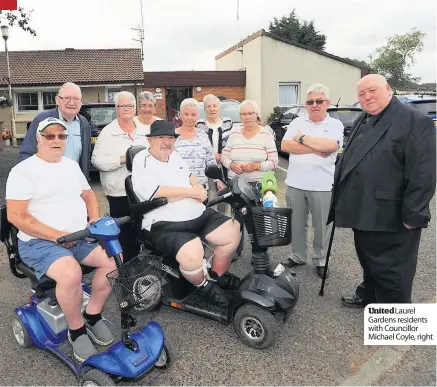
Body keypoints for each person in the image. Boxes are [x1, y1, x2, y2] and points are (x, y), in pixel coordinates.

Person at [6, 117, 116, 362]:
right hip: (39, 243)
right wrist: (57, 236)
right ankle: (76, 331)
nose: (56, 140)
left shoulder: (69, 165)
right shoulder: (23, 171)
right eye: (50, 136)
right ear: (38, 138)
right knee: (71, 274)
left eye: (61, 136)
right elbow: (16, 216)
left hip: (78, 236)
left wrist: (94, 219)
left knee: (113, 262)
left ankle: (93, 315)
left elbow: (88, 194)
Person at [328, 74, 436, 307]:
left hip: (392, 216)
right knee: (369, 260)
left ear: (388, 89)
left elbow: (423, 174)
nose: (367, 97)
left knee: (393, 272)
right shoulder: (365, 118)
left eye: (372, 90)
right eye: (361, 94)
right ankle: (370, 295)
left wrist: (412, 216)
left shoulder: (415, 121)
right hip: (365, 210)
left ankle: (395, 323)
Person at [131, 120, 241, 307]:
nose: (167, 142)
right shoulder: (141, 160)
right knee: (193, 254)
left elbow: (189, 175)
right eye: (161, 138)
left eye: (171, 138)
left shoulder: (175, 156)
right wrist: (191, 192)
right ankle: (204, 286)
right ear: (150, 140)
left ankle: (215, 276)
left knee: (233, 230)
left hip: (195, 212)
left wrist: (197, 185)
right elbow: (154, 191)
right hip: (164, 221)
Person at [281, 84, 344, 278]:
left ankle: (321, 260)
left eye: (319, 101)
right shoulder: (296, 122)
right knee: (296, 224)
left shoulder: (335, 125)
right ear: (306, 105)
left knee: (322, 226)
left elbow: (331, 145)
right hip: (294, 183)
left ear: (327, 103)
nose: (315, 105)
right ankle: (298, 256)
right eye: (310, 102)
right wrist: (316, 148)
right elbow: (285, 145)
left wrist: (302, 138)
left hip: (322, 185)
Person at [91, 91, 148, 261]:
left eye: (129, 106)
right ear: (116, 109)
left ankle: (141, 262)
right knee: (124, 232)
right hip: (119, 192)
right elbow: (97, 161)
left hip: (142, 191)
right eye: (122, 106)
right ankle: (126, 268)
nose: (126, 109)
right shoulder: (107, 133)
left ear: (135, 108)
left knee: (142, 228)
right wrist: (122, 159)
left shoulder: (144, 131)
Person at [18, 82, 91, 180]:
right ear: (57, 100)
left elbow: (85, 157)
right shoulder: (42, 120)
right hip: (48, 183)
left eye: (76, 99)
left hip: (75, 183)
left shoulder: (84, 123)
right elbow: (26, 154)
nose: (72, 102)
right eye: (67, 98)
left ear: (81, 102)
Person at [221, 100, 278, 185]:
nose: (247, 117)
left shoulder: (266, 135)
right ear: (240, 116)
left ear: (256, 114)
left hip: (259, 184)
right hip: (235, 184)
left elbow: (274, 162)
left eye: (250, 113)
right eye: (243, 114)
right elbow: (224, 157)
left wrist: (257, 166)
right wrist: (232, 165)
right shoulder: (234, 134)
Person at [175, 98, 216, 191]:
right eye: (186, 114)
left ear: (197, 116)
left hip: (201, 189)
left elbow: (211, 160)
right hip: (178, 189)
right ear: (180, 115)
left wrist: (218, 180)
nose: (189, 117)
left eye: (193, 114)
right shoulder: (172, 136)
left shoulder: (203, 135)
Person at [196, 94, 232, 194]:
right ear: (204, 109)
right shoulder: (199, 125)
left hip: (225, 167)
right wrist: (212, 156)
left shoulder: (228, 123)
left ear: (219, 107)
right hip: (206, 167)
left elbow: (232, 144)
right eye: (208, 106)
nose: (212, 109)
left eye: (215, 106)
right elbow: (198, 146)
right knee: (210, 198)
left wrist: (224, 157)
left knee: (225, 200)